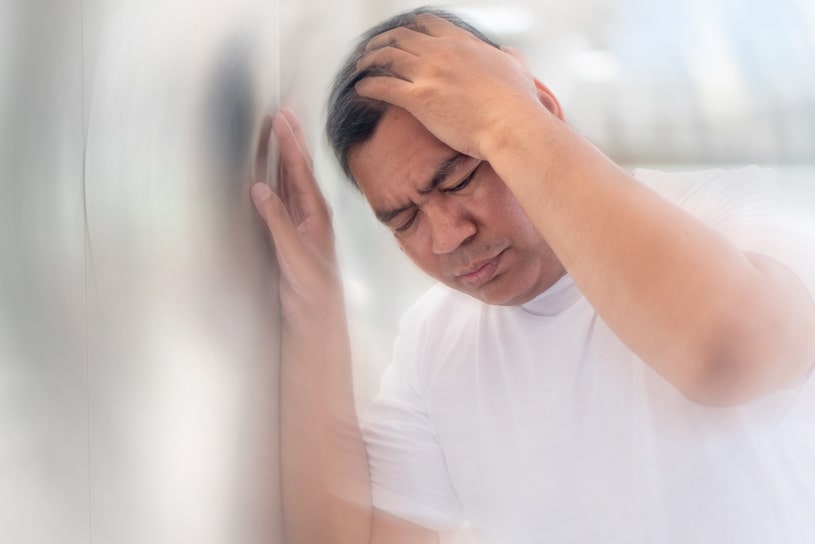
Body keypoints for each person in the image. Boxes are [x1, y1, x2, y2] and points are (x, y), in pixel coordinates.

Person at [250, 7, 815, 544]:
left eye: (458, 179)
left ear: (540, 108)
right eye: (404, 220)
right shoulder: (435, 341)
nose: (448, 237)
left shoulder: (733, 215)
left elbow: (727, 356)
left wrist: (509, 116)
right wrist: (316, 309)